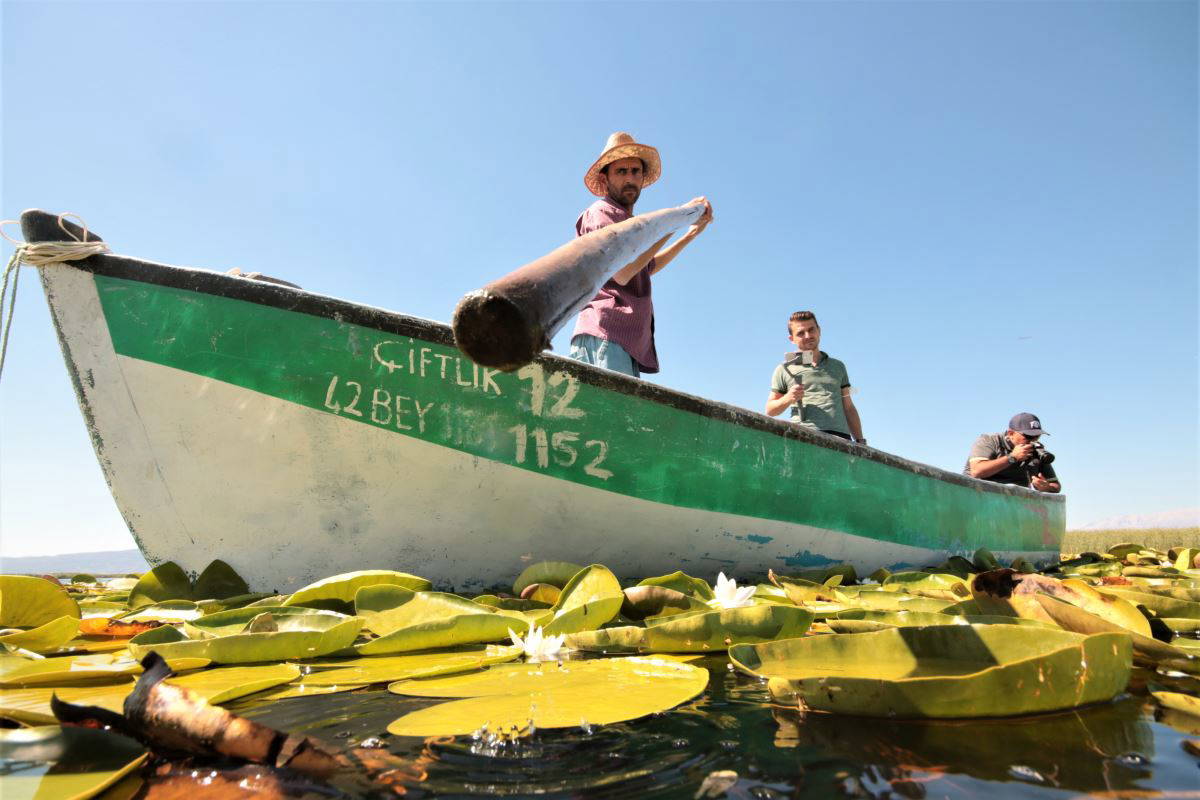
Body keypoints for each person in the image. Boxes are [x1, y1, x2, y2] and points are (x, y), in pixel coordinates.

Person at [569, 131, 713, 377]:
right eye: (621, 171)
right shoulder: (602, 213)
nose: (630, 178)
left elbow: (647, 265)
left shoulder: (628, 221)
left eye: (635, 171)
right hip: (606, 331)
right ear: (605, 178)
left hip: (625, 339)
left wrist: (689, 234)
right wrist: (674, 221)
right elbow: (623, 272)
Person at [765, 311, 866, 444]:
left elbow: (848, 407)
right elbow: (770, 410)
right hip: (802, 436)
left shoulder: (838, 366)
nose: (807, 336)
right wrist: (788, 398)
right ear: (792, 339)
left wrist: (860, 441)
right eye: (800, 333)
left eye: (811, 329)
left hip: (841, 439)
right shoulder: (784, 369)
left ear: (819, 331)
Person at [964, 412, 1061, 492]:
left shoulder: (1036, 451)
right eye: (1028, 436)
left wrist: (1046, 487)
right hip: (977, 497)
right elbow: (977, 471)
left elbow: (1056, 485)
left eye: (1037, 436)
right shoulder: (989, 441)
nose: (1033, 440)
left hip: (1012, 504)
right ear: (1011, 433)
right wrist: (1012, 457)